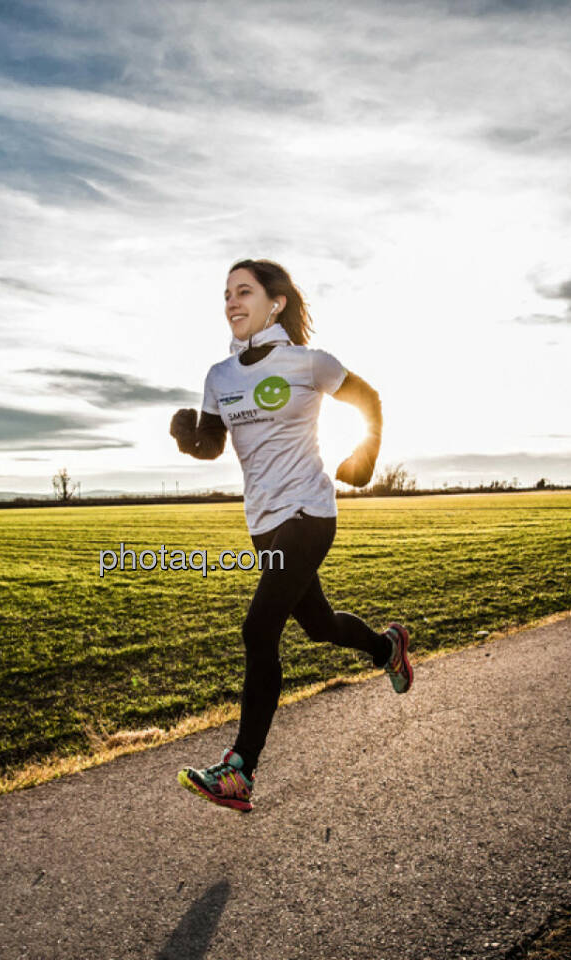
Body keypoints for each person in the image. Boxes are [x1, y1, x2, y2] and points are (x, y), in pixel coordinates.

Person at [168, 258, 412, 813]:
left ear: (275, 303)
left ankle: (240, 771)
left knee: (258, 630)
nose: (231, 301)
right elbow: (211, 446)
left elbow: (369, 400)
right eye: (226, 293)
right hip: (263, 524)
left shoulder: (309, 364)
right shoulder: (219, 377)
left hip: (309, 514)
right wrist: (186, 433)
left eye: (243, 291)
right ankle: (386, 648)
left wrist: (363, 456)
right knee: (320, 626)